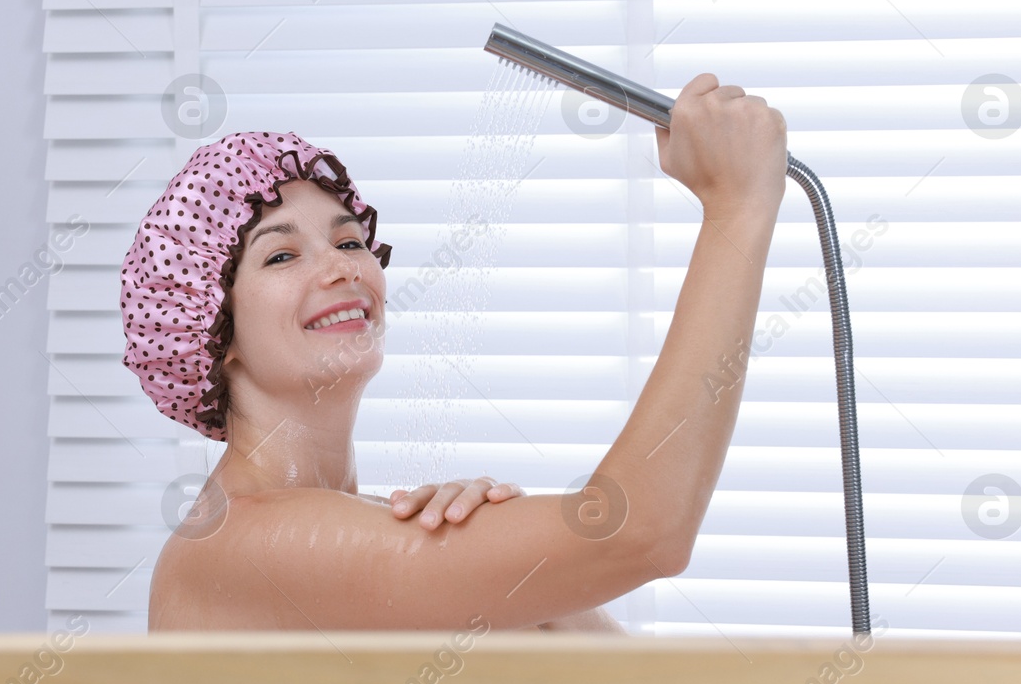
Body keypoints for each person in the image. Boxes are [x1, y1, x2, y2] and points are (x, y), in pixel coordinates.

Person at [122, 74, 786, 633]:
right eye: (282, 253)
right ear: (213, 328)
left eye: (350, 242)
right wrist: (737, 207)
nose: (340, 267)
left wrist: (522, 552)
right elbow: (640, 531)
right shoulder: (240, 543)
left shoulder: (375, 530)